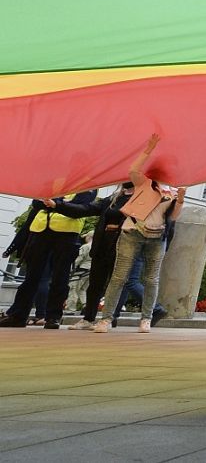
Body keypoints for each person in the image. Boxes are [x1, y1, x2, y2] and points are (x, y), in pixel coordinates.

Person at [95, 135, 185, 334]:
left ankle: (146, 318)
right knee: (119, 277)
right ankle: (106, 319)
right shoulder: (145, 183)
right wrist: (148, 150)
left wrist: (179, 201)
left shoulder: (172, 192)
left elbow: (173, 217)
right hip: (132, 232)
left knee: (151, 279)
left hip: (156, 236)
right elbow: (133, 170)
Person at [0, 183, 98, 329]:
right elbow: (36, 202)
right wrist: (61, 204)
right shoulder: (54, 180)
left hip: (66, 234)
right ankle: (18, 315)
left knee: (60, 277)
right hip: (40, 231)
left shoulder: (88, 184)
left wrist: (54, 203)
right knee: (31, 277)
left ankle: (53, 317)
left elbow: (79, 209)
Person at [66, 183, 137, 331]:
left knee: (117, 283)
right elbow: (87, 209)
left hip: (123, 245)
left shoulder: (141, 198)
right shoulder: (113, 198)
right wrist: (57, 205)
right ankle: (88, 318)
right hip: (103, 244)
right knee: (95, 283)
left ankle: (109, 318)